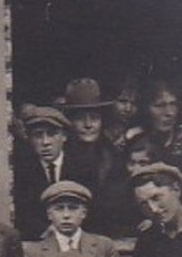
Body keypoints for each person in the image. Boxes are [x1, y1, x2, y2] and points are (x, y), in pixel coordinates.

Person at [58, 78, 137, 239]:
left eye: (94, 118)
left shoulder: (113, 156)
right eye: (80, 118)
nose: (88, 125)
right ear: (70, 123)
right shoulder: (60, 159)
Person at [11, 105, 80, 240]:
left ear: (64, 136)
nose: (45, 142)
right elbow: (22, 212)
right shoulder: (21, 172)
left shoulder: (82, 168)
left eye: (52, 134)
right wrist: (44, 230)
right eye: (38, 135)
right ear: (29, 139)